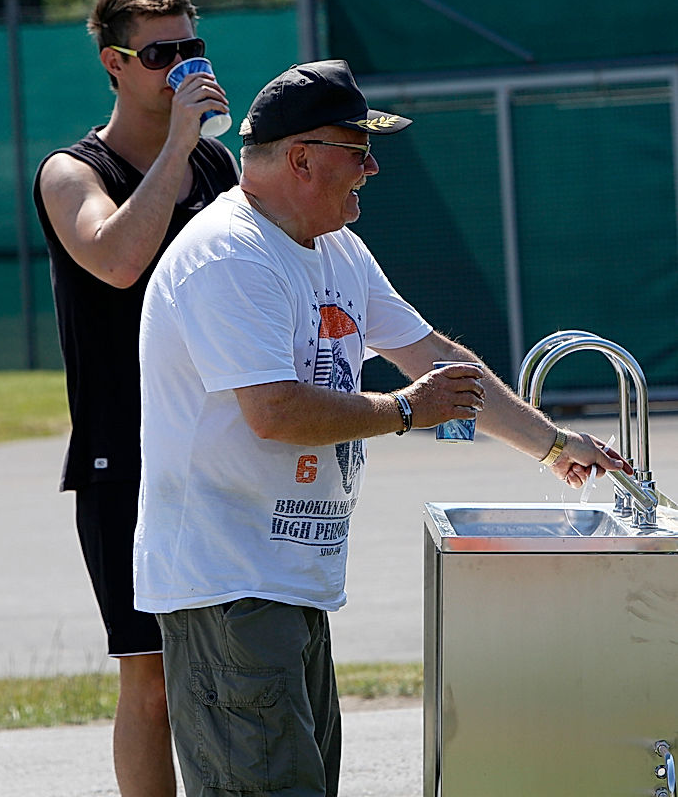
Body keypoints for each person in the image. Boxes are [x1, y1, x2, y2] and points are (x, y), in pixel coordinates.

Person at [133, 58, 631, 797]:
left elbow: (433, 359)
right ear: (301, 159)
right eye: (356, 150)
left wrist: (554, 445)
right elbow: (274, 412)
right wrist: (403, 410)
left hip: (284, 581)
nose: (371, 168)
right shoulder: (229, 255)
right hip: (226, 581)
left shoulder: (334, 246)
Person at [33, 0, 239, 797]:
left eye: (191, 47)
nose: (182, 66)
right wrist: (180, 146)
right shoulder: (70, 172)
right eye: (161, 54)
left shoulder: (216, 164)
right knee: (150, 680)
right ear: (116, 64)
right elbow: (116, 261)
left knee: (237, 667)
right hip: (128, 459)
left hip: (224, 450)